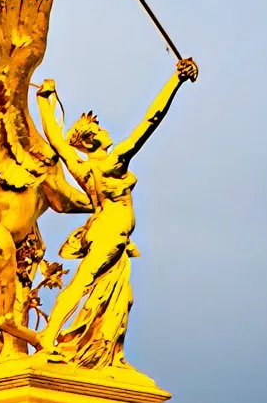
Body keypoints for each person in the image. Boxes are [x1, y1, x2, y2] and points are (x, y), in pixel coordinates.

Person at [34, 56, 198, 366]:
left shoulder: (81, 166)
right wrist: (176, 80)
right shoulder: (114, 162)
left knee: (116, 296)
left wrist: (44, 100)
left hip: (104, 229)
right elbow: (151, 120)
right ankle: (49, 335)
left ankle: (85, 345)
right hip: (111, 231)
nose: (106, 130)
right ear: (91, 140)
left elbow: (55, 137)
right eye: (99, 129)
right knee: (84, 281)